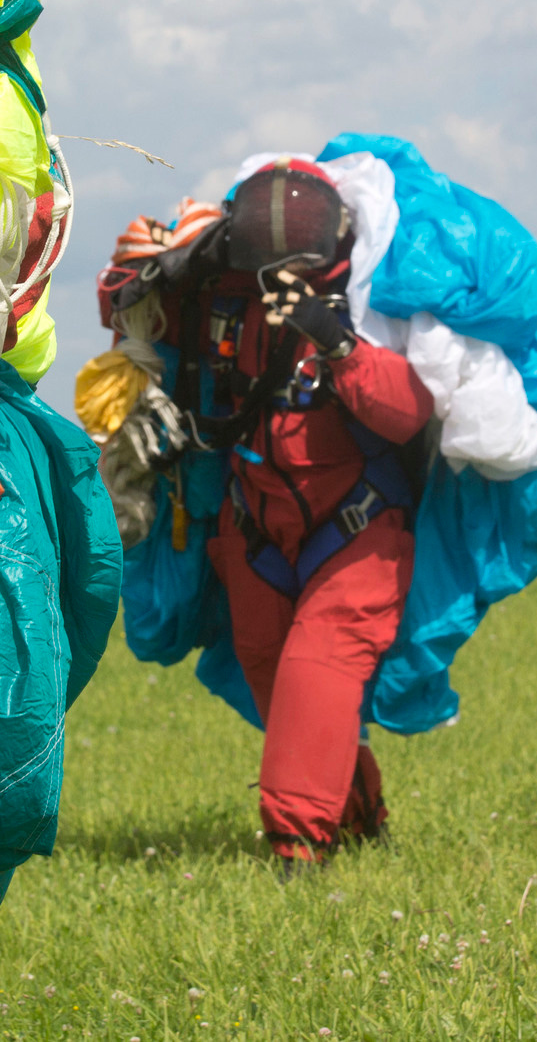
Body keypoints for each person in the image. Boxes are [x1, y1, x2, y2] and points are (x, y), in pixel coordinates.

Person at [184, 161, 436, 871]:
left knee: (316, 670)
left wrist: (338, 343)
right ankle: (356, 815)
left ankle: (297, 849)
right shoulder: (224, 306)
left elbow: (411, 408)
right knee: (287, 687)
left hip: (356, 532)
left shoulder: (363, 305)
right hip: (256, 530)